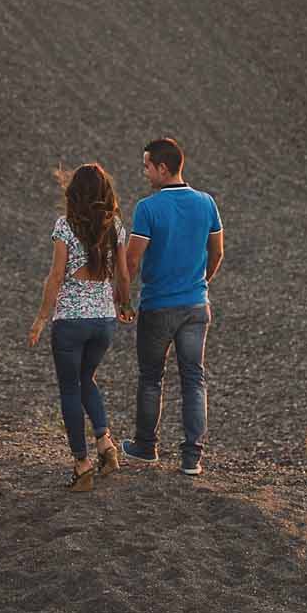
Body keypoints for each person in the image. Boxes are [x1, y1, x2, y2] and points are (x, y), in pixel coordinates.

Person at [27, 163, 135, 491]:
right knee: (87, 378)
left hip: (71, 322)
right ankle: (105, 444)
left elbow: (56, 276)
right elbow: (123, 274)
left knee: (70, 388)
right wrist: (125, 305)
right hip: (103, 321)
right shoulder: (114, 225)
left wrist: (41, 318)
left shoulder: (64, 226)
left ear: (74, 193)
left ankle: (82, 464)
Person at [121, 137, 223, 476]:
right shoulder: (207, 202)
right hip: (196, 305)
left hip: (158, 306)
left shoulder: (148, 208)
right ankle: (192, 458)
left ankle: (146, 446)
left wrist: (121, 296)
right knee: (194, 378)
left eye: (147, 165)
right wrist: (201, 281)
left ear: (163, 168)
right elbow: (217, 252)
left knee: (151, 377)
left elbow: (132, 259)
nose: (144, 171)